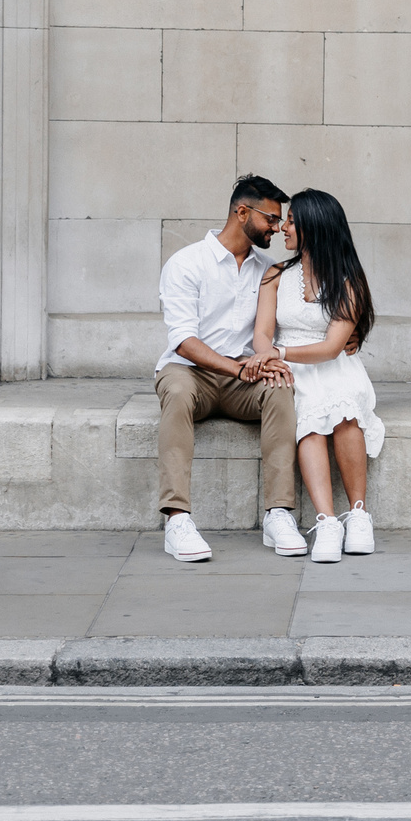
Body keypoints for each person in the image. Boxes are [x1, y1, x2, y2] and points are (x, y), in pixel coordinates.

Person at [155, 176, 304, 563]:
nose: (277, 227)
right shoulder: (187, 263)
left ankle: (278, 513)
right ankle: (177, 519)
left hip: (244, 377)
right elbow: (184, 340)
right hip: (190, 372)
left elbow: (292, 319)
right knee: (176, 391)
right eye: (271, 219)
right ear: (242, 213)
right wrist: (236, 370)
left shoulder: (269, 270)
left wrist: (349, 336)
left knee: (281, 388)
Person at [254, 188, 381, 563]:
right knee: (308, 420)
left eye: (291, 221)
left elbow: (331, 347)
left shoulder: (348, 280)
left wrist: (280, 352)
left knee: (343, 413)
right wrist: (271, 356)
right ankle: (327, 521)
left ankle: (358, 515)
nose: (283, 228)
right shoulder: (276, 274)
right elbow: (261, 332)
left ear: (315, 226)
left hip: (333, 365)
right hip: (289, 367)